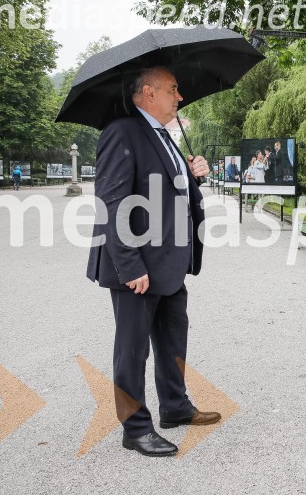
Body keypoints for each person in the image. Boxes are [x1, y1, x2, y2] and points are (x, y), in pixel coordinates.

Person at [86, 66, 220, 458]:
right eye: (173, 89)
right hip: (138, 268)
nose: (179, 97)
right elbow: (112, 205)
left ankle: (175, 407)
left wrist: (194, 175)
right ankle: (135, 428)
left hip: (170, 264)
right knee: (132, 349)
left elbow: (164, 193)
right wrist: (130, 267)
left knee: (172, 337)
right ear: (147, 93)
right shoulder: (121, 132)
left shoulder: (163, 136)